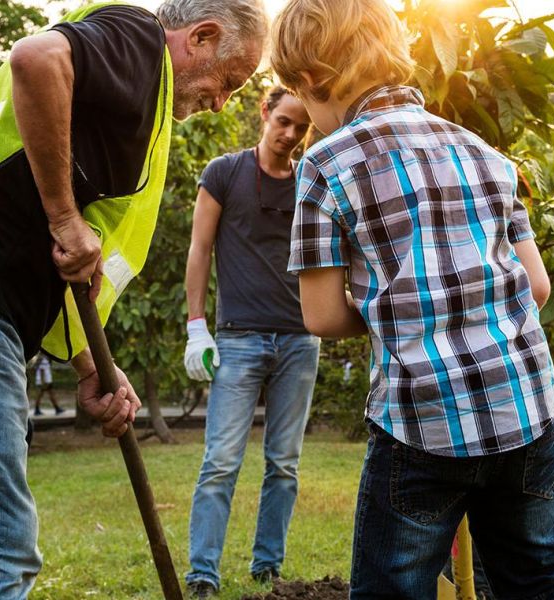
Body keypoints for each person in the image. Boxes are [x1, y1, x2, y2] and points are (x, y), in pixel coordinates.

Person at [0, 1, 268, 597]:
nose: (220, 102)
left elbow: (74, 263)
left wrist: (92, 367)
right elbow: (36, 58)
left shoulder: (140, 103)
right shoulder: (142, 43)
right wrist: (63, 218)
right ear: (203, 37)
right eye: (229, 82)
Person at [269, 2, 554, 599]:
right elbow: (539, 286)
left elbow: (319, 315)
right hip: (523, 402)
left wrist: (400, 313)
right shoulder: (485, 154)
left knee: (391, 590)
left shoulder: (325, 163)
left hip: (421, 419)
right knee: (542, 572)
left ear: (313, 82)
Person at [181, 86, 316, 597]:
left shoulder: (309, 181)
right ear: (264, 113)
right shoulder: (225, 172)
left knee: (284, 463)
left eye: (300, 127)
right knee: (220, 461)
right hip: (238, 338)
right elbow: (199, 249)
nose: (290, 135)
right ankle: (202, 573)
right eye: (282, 121)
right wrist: (197, 327)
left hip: (301, 340)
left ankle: (267, 568)